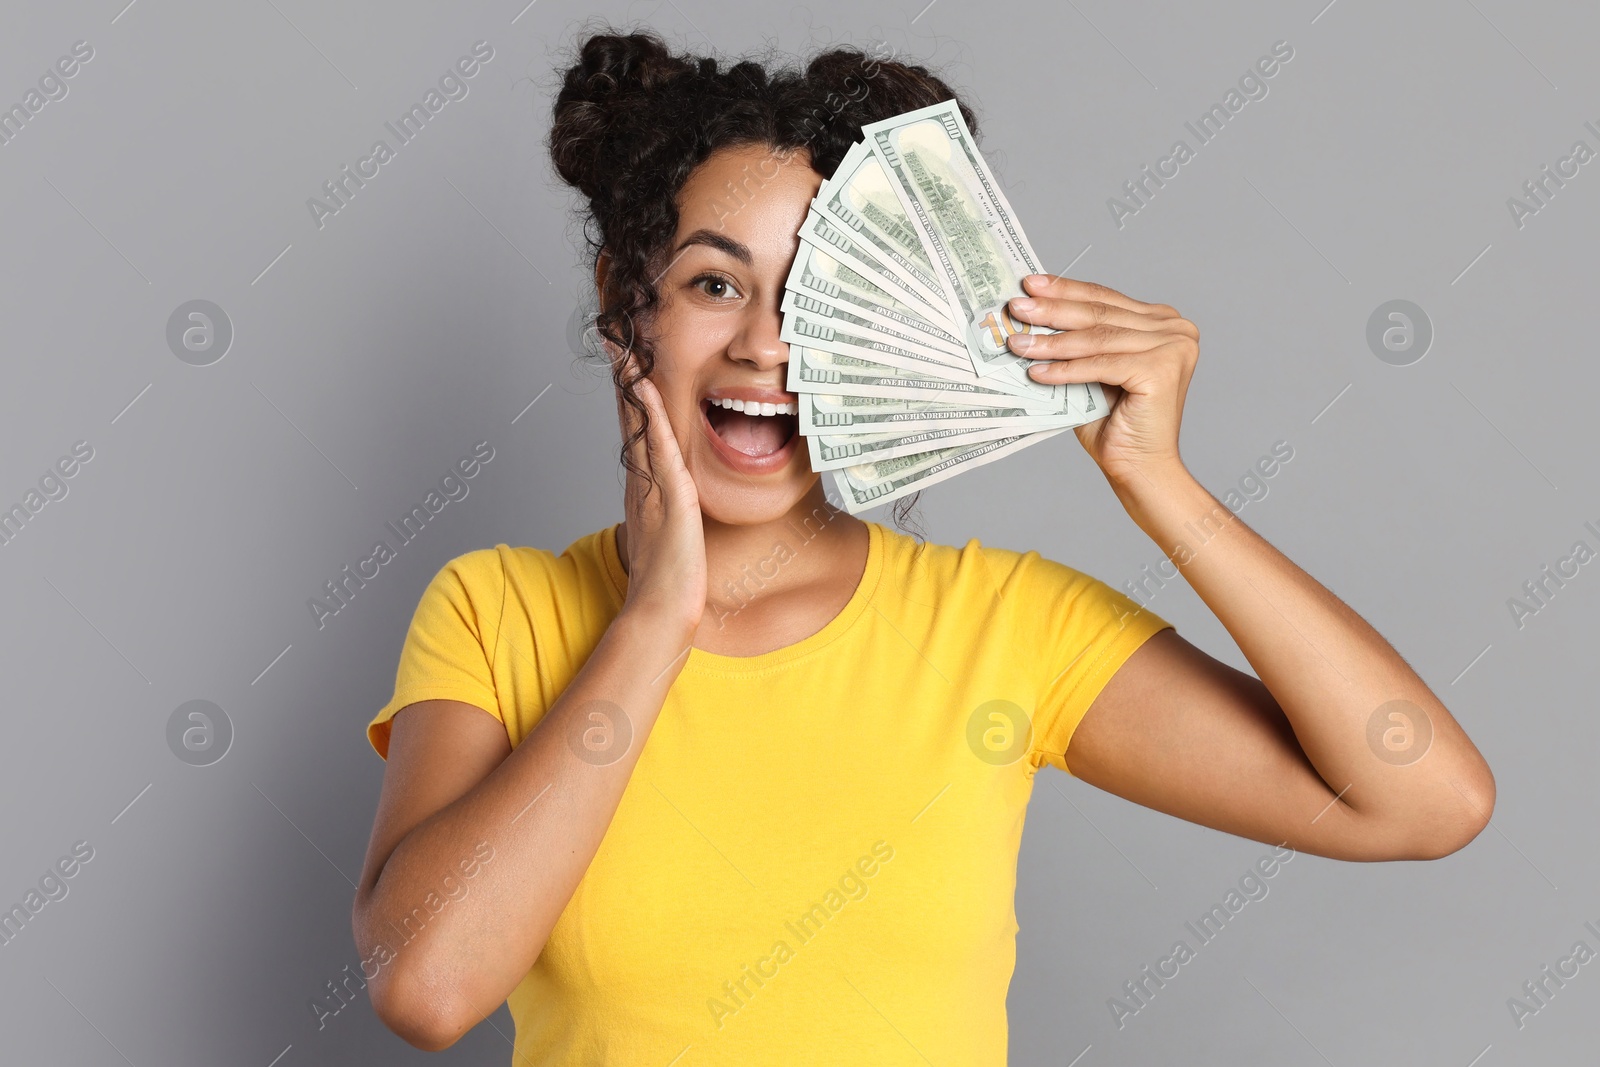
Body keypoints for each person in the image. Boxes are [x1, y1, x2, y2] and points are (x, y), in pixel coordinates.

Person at [350, 28, 1495, 1062]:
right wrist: (654, 619)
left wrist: (1156, 483)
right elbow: (429, 984)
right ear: (624, 302)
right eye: (713, 282)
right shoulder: (498, 608)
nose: (766, 345)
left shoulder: (1000, 626)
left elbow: (1423, 799)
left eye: (819, 297)